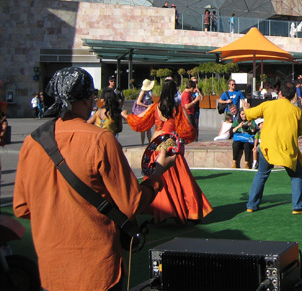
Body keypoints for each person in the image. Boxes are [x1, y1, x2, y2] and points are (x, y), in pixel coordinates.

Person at [14, 67, 176, 291]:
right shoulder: (101, 140)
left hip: (51, 270)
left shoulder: (32, 143)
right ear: (86, 99)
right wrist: (157, 173)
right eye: (92, 94)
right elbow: (132, 204)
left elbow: (22, 208)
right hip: (97, 269)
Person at [126, 79, 212, 224]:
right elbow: (188, 130)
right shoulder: (178, 109)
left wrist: (126, 116)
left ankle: (161, 212)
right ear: (174, 91)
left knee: (156, 179)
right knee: (182, 180)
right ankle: (186, 211)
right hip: (171, 147)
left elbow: (140, 120)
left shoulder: (155, 107)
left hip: (156, 147)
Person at [244, 81, 302, 214]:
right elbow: (301, 132)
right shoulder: (296, 111)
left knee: (261, 174)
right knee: (297, 175)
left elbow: (249, 114)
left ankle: (251, 205)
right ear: (293, 96)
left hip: (267, 148)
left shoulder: (268, 105)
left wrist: (245, 107)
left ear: (279, 92)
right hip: (287, 149)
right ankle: (298, 206)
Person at [133, 79, 155, 145]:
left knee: (149, 128)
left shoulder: (149, 92)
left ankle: (150, 142)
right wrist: (147, 106)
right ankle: (142, 143)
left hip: (148, 111)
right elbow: (138, 102)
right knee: (143, 129)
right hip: (143, 111)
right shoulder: (142, 92)